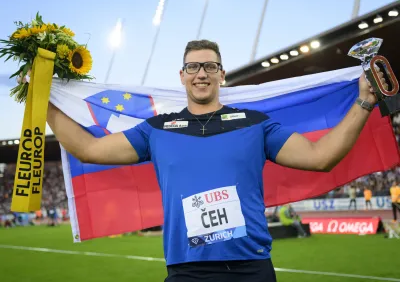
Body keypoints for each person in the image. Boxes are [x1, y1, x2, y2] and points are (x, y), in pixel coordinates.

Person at [46, 40, 388, 282]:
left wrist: (363, 102)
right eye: (193, 66)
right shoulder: (156, 130)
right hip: (187, 271)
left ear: (222, 74)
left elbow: (321, 156)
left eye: (210, 66)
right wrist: (41, 100)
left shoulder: (255, 124)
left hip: (251, 268)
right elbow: (88, 149)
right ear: (181, 76)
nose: (201, 73)